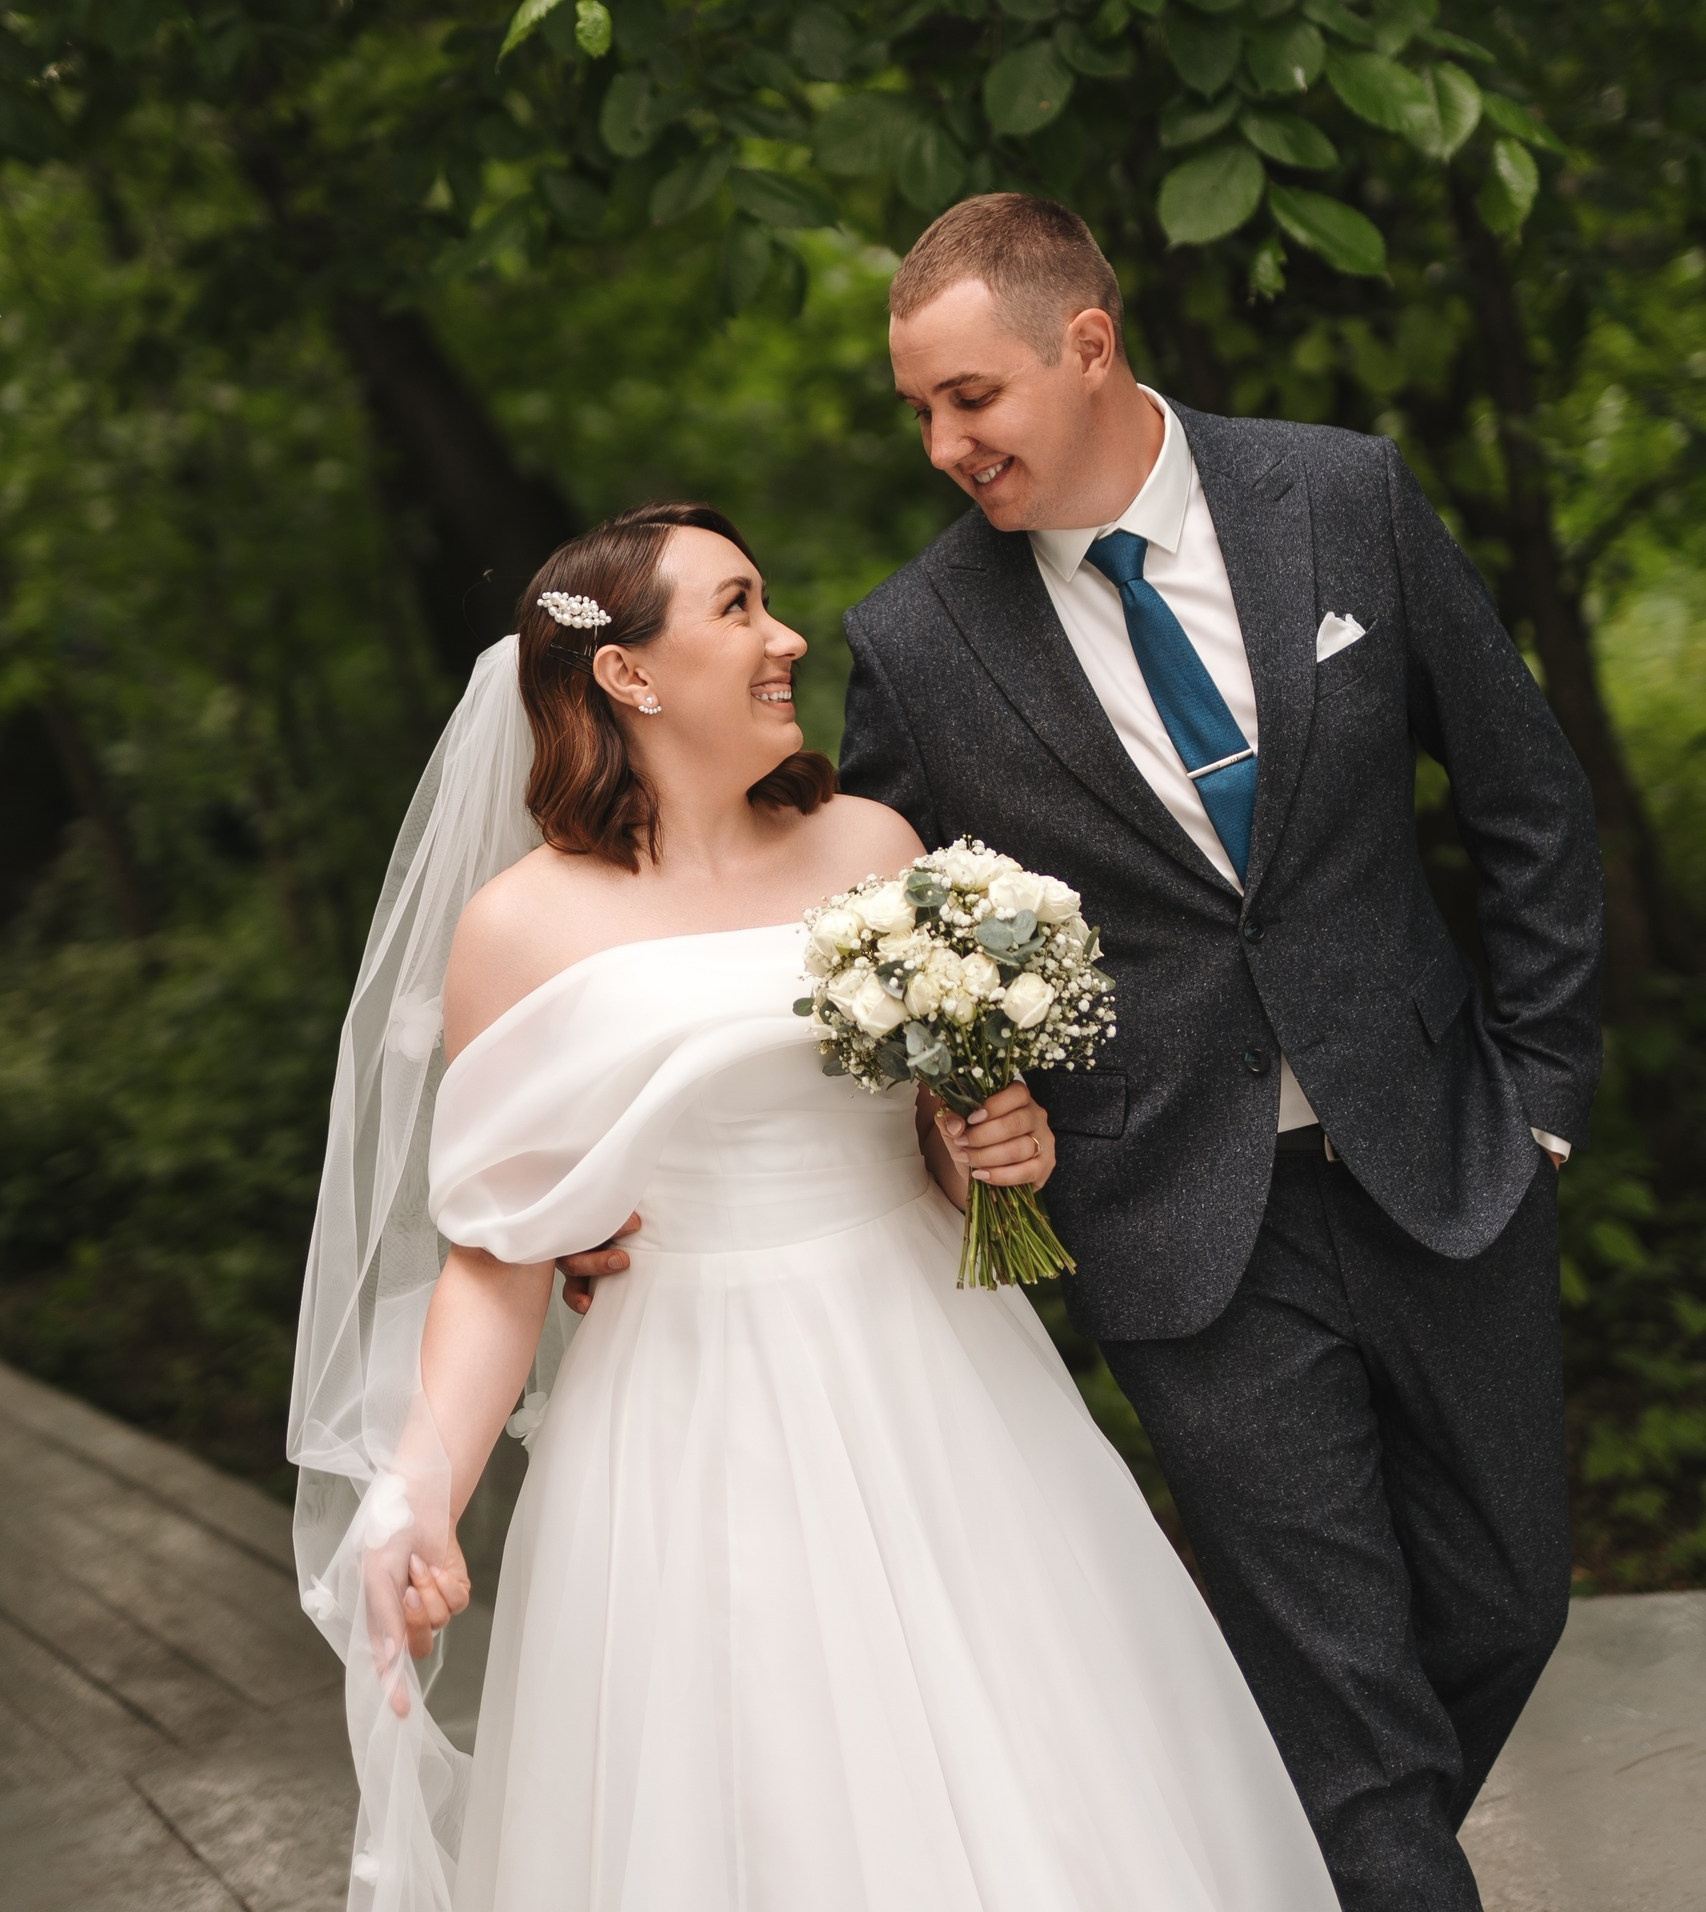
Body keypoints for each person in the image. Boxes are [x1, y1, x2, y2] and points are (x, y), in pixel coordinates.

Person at [289, 498, 1337, 1912]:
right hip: (681, 1411)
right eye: (736, 609)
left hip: (936, 1375)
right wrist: (423, 1495)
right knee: (759, 1782)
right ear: (627, 672)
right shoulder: (519, 928)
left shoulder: (871, 847)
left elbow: (940, 1148)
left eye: (767, 600)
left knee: (1027, 1751)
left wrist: (997, 1147)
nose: (784, 637)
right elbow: (500, 1257)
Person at [839, 191, 1605, 1912]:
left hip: (1446, 1155)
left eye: (971, 396)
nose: (944, 444)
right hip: (1177, 1222)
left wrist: (1545, 1098)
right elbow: (891, 938)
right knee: (1342, 1690)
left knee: (1505, 1603)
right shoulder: (916, 641)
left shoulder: (1340, 497)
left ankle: (1275, 1860)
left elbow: (1527, 800)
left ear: (1086, 345)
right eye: (919, 411)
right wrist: (950, 1111)